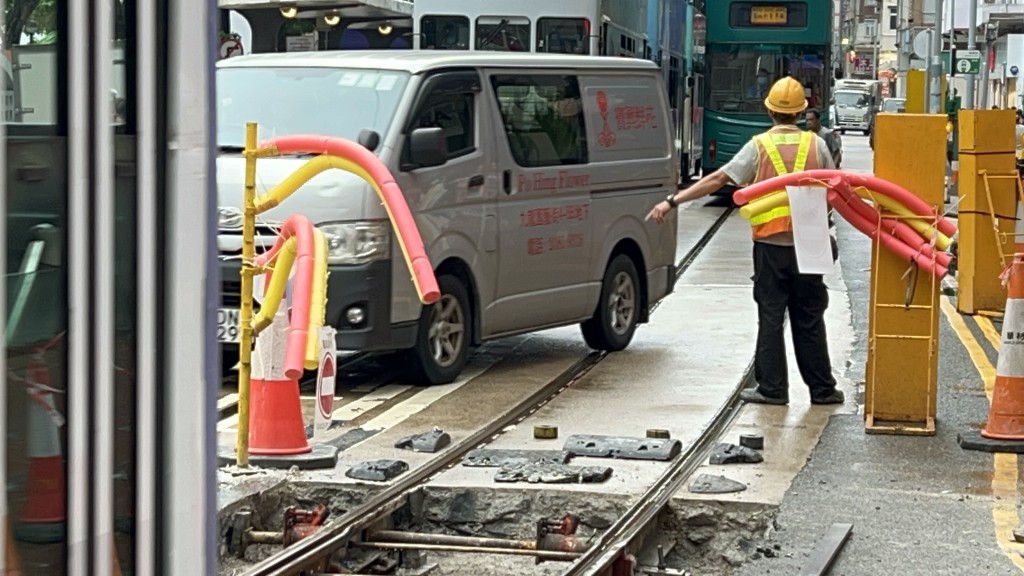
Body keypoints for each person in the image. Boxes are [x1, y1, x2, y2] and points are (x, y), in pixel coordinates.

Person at [646, 76, 844, 406]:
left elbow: (718, 179)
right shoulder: (817, 145)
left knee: (770, 317)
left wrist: (673, 201)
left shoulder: (759, 146)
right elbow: (834, 189)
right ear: (802, 111)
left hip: (770, 247)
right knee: (809, 318)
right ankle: (822, 389)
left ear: (769, 110)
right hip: (809, 247)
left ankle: (772, 389)